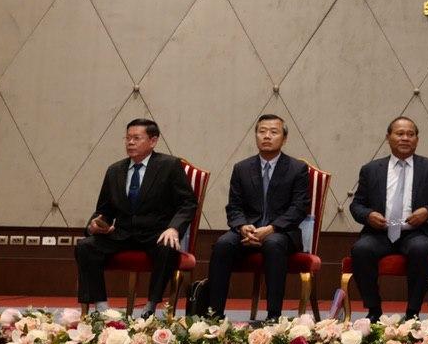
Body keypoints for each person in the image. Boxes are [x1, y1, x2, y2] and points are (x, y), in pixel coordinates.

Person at [74, 118, 197, 316]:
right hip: (122, 234)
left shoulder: (169, 166)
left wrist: (174, 228)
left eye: (136, 138)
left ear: (153, 141)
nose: (130, 142)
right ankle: (101, 308)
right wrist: (96, 225)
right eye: (127, 138)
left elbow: (188, 203)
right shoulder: (115, 170)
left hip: (156, 233)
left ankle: (150, 308)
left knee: (167, 247)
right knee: (85, 246)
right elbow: (104, 210)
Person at [204, 114, 310, 322]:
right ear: (256, 136)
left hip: (282, 233)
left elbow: (299, 208)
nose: (267, 136)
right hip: (248, 231)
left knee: (273, 244)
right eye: (262, 131)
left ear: (284, 138)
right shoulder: (242, 168)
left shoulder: (297, 168)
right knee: (223, 244)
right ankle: (214, 315)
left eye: (273, 132)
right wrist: (243, 226)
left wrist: (271, 228)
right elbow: (234, 207)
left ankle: (273, 317)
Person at [348, 117, 428, 321]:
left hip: (415, 233)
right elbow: (356, 205)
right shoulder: (371, 169)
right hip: (379, 233)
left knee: (421, 248)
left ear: (417, 140)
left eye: (410, 134)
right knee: (361, 249)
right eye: (400, 133)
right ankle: (374, 311)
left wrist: (427, 212)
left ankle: (413, 313)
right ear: (388, 137)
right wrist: (368, 215)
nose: (405, 138)